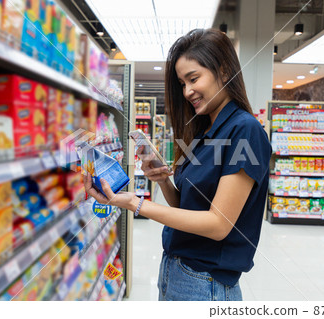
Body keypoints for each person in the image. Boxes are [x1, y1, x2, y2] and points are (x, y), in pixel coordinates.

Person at [83, 28, 271, 301]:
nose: (187, 91)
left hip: (206, 282)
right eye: (182, 83)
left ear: (225, 69)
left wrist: (137, 204)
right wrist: (162, 181)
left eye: (194, 79)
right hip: (176, 269)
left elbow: (218, 224)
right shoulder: (205, 130)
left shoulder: (245, 130)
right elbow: (187, 207)